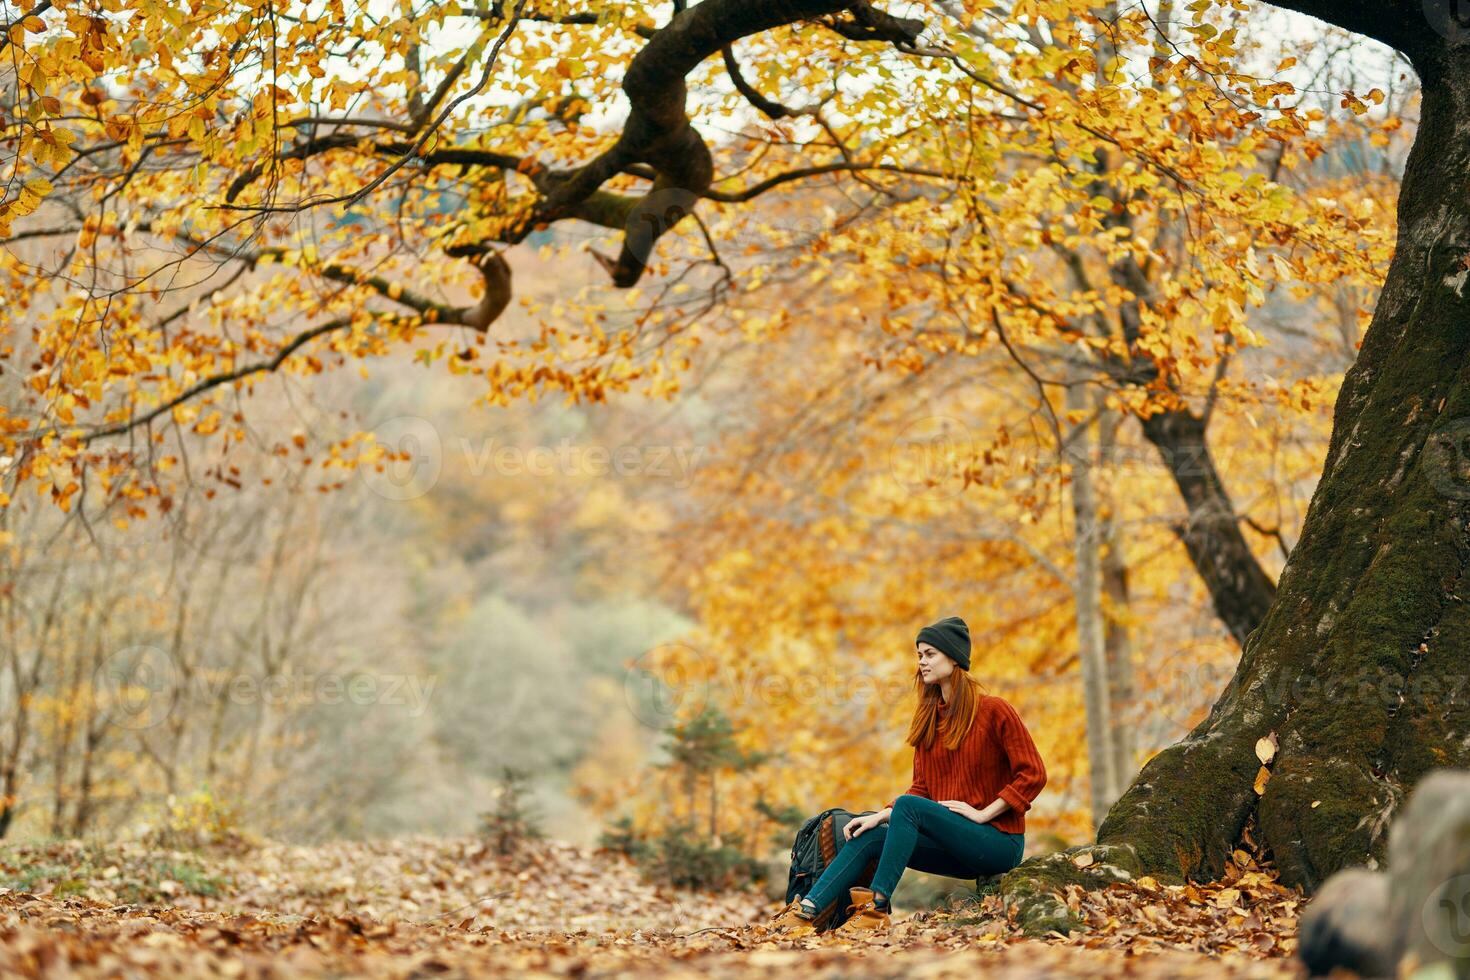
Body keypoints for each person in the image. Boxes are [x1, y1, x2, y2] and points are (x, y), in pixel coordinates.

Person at [769, 614, 1048, 935]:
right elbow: (921, 789)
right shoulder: (930, 719)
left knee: (905, 806)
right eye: (919, 655)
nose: (922, 662)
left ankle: (876, 909)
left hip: (998, 843)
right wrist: (880, 816)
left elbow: (1034, 774)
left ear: (955, 658)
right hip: (955, 847)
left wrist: (985, 814)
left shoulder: (995, 710)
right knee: (871, 835)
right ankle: (805, 911)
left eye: (930, 654)